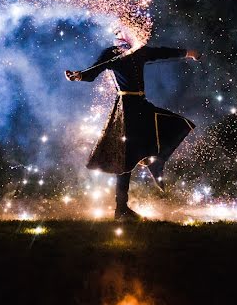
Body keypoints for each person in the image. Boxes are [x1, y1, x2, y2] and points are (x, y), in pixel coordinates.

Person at [65, 25, 200, 221]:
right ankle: (121, 209)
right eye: (121, 31)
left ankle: (156, 160)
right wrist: (78, 76)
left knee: (178, 124)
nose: (127, 33)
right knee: (126, 159)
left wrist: (188, 53)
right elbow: (92, 73)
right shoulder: (111, 53)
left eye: (128, 30)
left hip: (142, 106)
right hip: (125, 109)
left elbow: (162, 52)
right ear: (117, 35)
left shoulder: (139, 51)